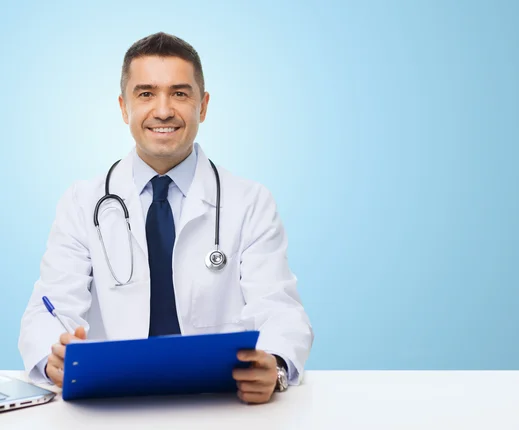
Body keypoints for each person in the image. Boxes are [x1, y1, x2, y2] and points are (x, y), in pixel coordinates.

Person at [18, 32, 313, 405]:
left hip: (219, 402)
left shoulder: (250, 201)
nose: (163, 110)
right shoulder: (81, 202)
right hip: (112, 403)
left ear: (202, 106)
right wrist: (52, 359)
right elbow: (49, 307)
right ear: (124, 108)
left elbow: (280, 308)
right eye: (145, 94)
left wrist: (275, 365)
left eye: (180, 93)